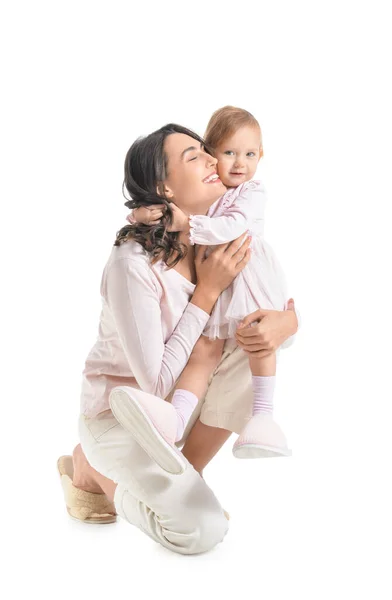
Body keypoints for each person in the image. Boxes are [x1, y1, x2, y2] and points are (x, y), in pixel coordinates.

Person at [57, 123, 299, 555]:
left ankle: (190, 469)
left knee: (254, 338)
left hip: (177, 412)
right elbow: (154, 383)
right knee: (200, 532)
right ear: (162, 186)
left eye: (209, 152)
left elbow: (267, 307)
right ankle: (91, 469)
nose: (213, 160)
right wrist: (206, 293)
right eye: (194, 156)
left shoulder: (218, 240)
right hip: (123, 415)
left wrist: (287, 324)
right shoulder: (133, 264)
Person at [126, 106, 300, 467]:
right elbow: (156, 215)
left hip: (245, 277)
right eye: (225, 154)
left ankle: (261, 418)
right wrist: (144, 214)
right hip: (214, 293)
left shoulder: (247, 194)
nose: (237, 164)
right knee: (206, 350)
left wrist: (290, 320)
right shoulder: (144, 259)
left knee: (254, 342)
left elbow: (232, 226)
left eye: (250, 154)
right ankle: (174, 423)